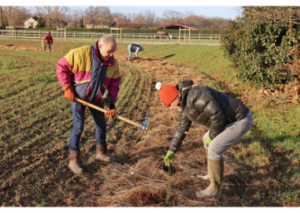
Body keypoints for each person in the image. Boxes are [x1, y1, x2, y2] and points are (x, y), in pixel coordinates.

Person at [156, 80, 253, 198]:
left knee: (214, 149)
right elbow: (182, 128)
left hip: (240, 119)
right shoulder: (185, 105)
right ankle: (211, 174)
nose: (171, 108)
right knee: (205, 138)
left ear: (175, 97)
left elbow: (217, 116)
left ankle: (215, 188)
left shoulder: (196, 95)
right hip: (228, 121)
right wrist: (172, 150)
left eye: (170, 104)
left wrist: (213, 137)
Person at [56, 35, 121, 174]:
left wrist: (110, 105)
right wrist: (67, 88)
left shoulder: (112, 63)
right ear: (100, 46)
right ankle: (73, 161)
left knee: (101, 125)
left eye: (113, 52)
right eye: (109, 51)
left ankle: (101, 153)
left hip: (97, 99)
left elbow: (113, 86)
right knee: (78, 127)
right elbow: (62, 66)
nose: (111, 55)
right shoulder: (81, 53)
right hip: (78, 97)